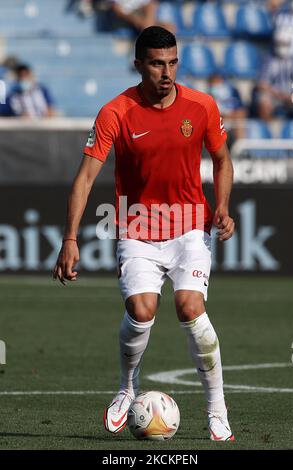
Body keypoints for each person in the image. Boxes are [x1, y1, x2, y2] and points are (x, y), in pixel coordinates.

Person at [53, 26, 235, 441]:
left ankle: (217, 409)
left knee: (190, 308)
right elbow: (83, 180)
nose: (166, 72)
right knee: (141, 309)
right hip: (136, 226)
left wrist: (222, 206)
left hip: (191, 224)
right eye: (156, 64)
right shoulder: (115, 112)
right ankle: (126, 389)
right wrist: (70, 238)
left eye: (172, 63)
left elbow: (222, 160)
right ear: (138, 65)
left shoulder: (202, 106)